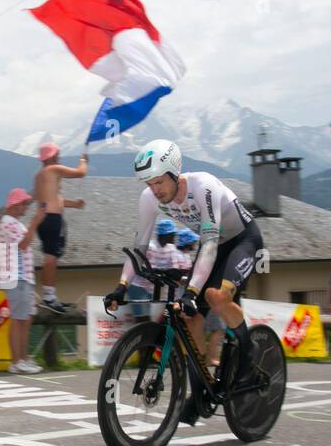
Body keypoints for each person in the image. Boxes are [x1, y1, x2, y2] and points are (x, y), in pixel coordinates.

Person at [104, 138, 264, 422]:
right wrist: (121, 286)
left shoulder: (204, 186)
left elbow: (211, 244)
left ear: (174, 172)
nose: (155, 190)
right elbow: (139, 247)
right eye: (148, 184)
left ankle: (248, 355)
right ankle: (201, 390)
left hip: (240, 239)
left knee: (215, 296)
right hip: (210, 245)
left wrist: (191, 291)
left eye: (159, 182)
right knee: (189, 319)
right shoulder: (149, 199)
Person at [31, 142, 87, 313]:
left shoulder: (39, 175)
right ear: (52, 156)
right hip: (53, 219)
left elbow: (52, 198)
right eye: (57, 153)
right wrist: (84, 160)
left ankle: (50, 295)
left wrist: (74, 204)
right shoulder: (53, 169)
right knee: (51, 259)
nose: (59, 156)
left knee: (50, 257)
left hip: (43, 219)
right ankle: (49, 297)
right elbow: (80, 173)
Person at [0, 187, 46, 373]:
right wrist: (34, 222)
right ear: (14, 205)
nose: (26, 207)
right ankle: (17, 361)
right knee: (19, 319)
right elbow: (23, 245)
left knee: (25, 318)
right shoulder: (8, 222)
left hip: (22, 276)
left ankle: (22, 359)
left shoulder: (14, 223)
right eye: (24, 203)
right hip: (16, 276)